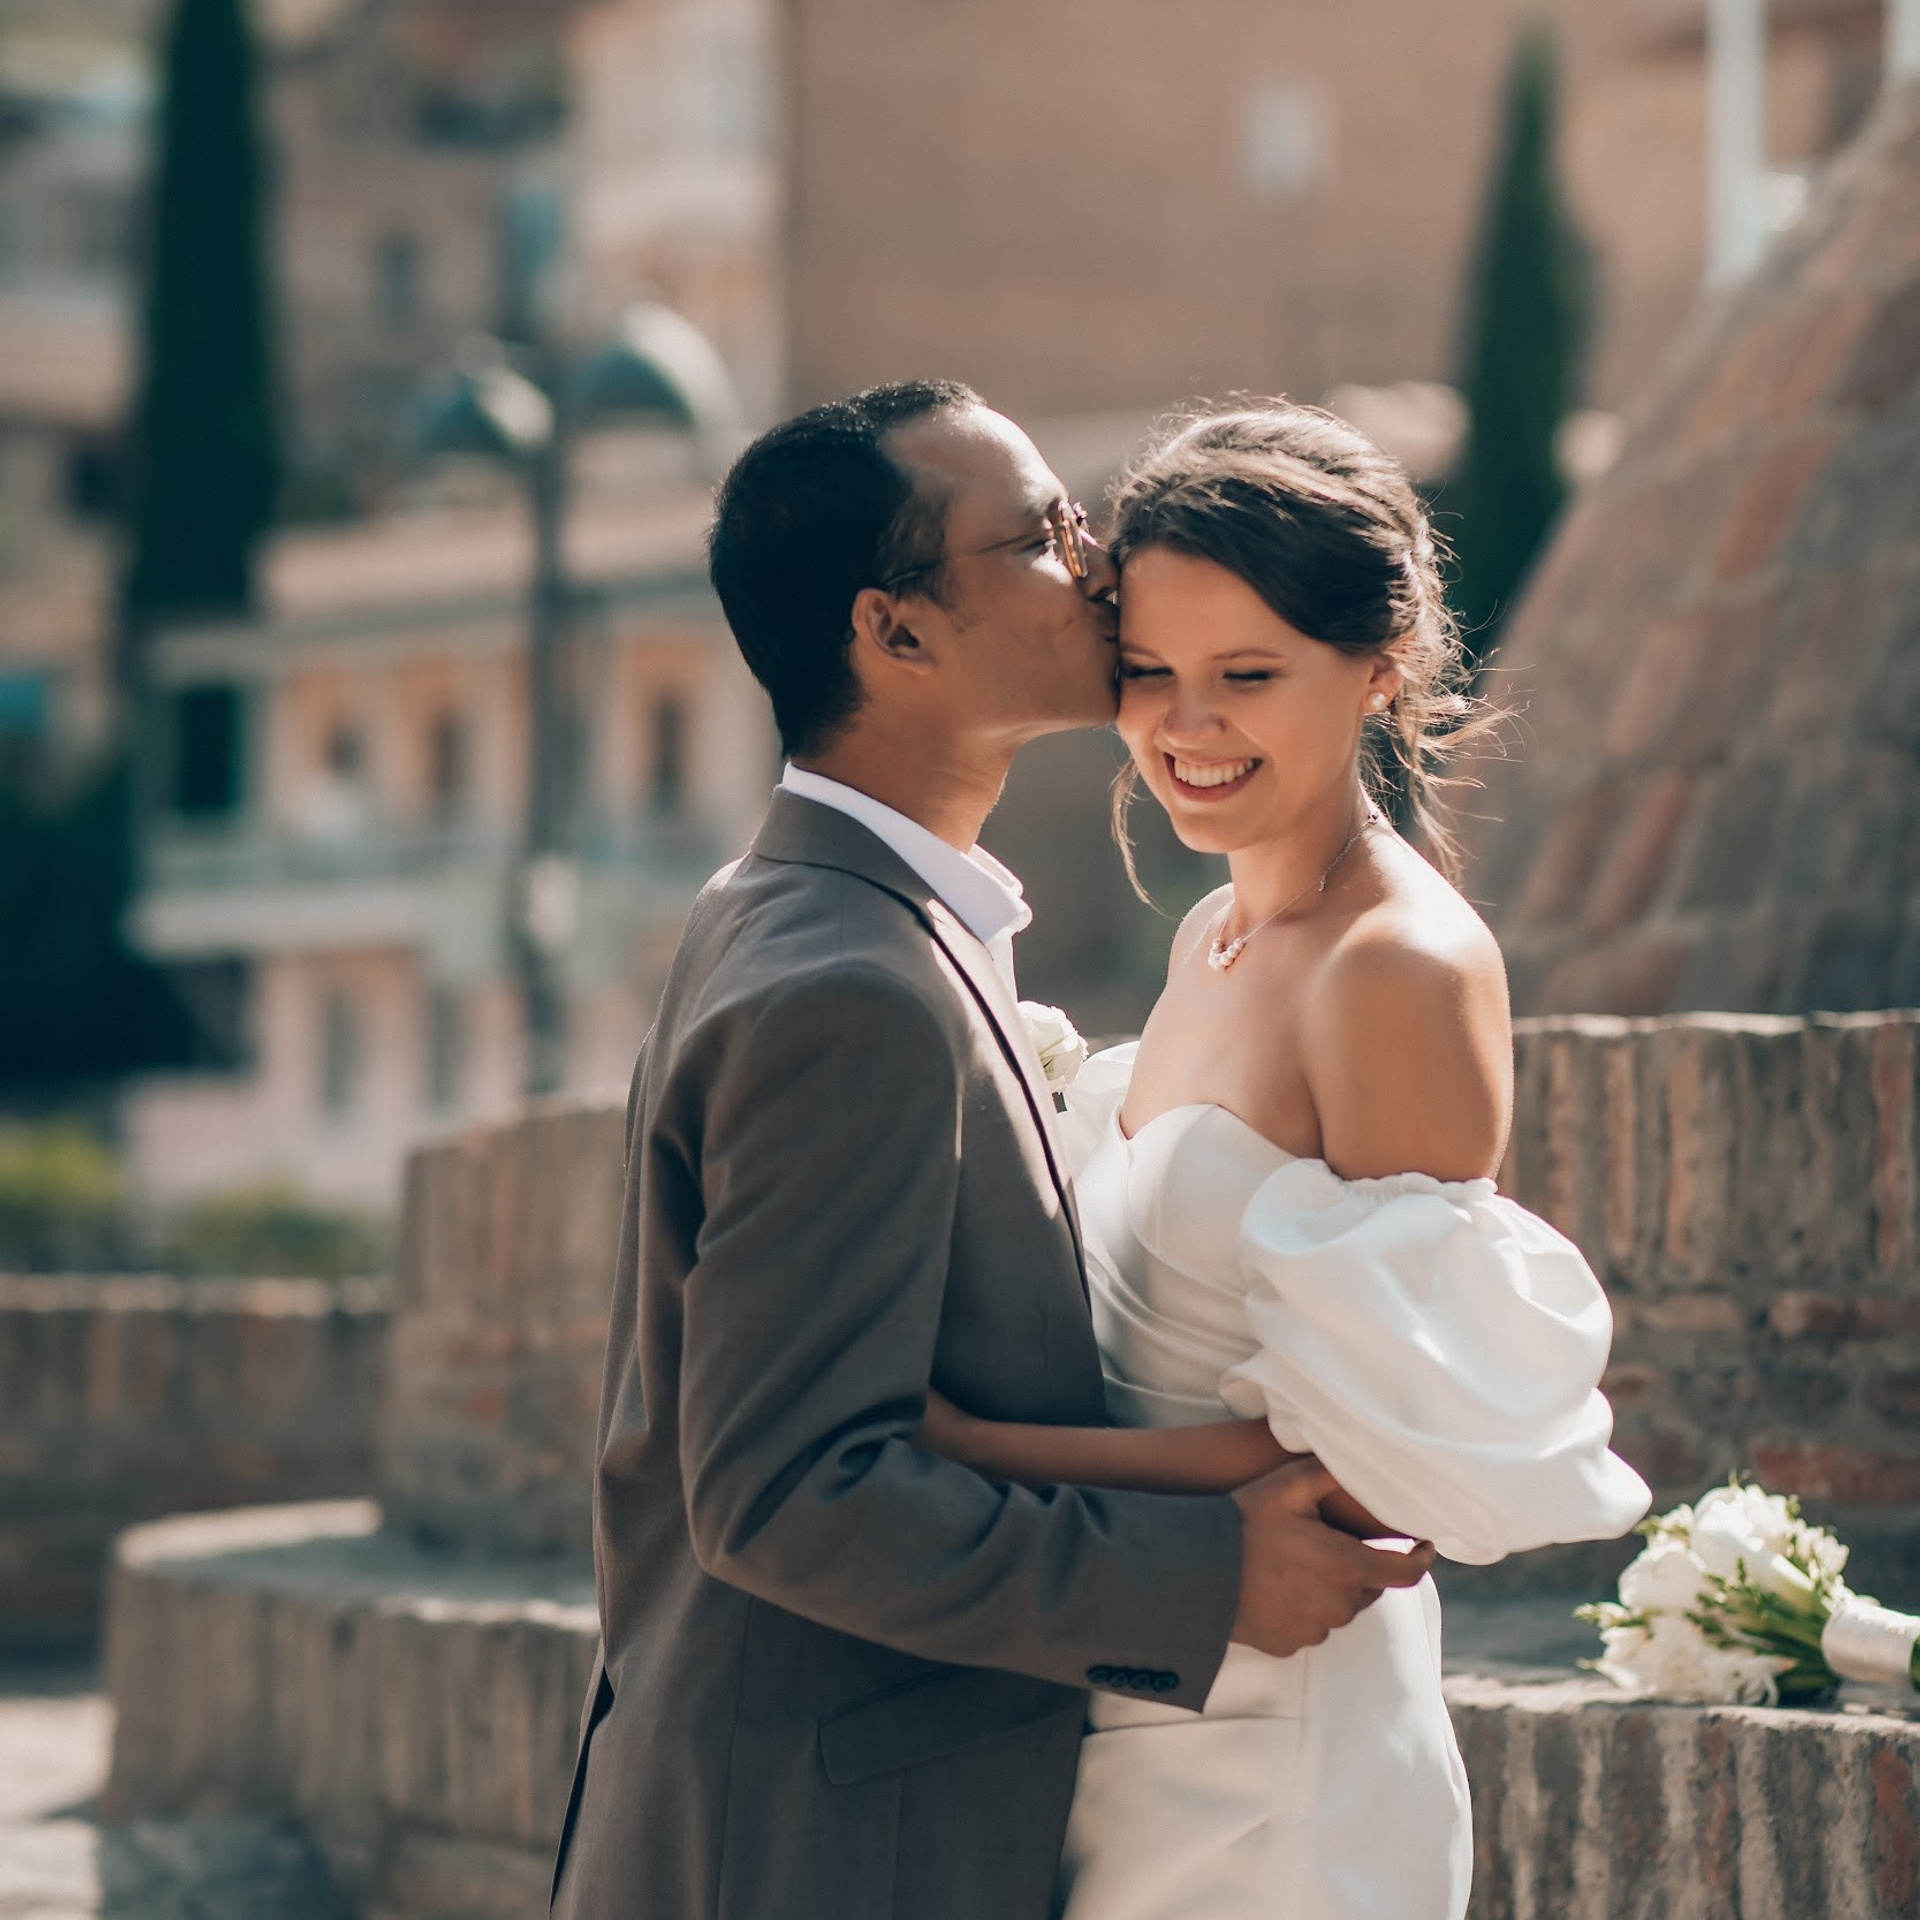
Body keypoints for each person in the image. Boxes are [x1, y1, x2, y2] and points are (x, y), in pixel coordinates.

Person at [547, 382, 1436, 1920]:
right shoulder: (847, 984)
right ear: (896, 635)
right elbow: (784, 1494)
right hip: (821, 1851)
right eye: (1040, 533)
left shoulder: (804, 912)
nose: (1095, 566)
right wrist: (1204, 1581)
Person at [916, 404, 1651, 1919]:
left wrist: (971, 1456)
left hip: (1288, 1741)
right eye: (1150, 675)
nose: (1187, 727)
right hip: (1140, 1688)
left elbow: (1371, 1473)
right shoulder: (1212, 934)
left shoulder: (1399, 969)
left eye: (1248, 676)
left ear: (1380, 667)